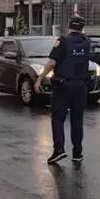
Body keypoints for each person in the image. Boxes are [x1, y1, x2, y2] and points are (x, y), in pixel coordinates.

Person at [34, 15, 92, 164]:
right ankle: (77, 152)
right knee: (77, 120)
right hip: (81, 86)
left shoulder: (63, 41)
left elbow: (51, 63)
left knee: (58, 118)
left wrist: (40, 79)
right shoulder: (86, 42)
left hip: (63, 86)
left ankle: (59, 150)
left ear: (69, 26)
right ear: (82, 28)